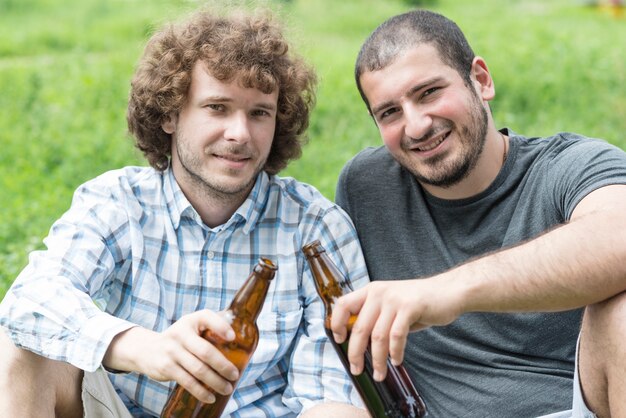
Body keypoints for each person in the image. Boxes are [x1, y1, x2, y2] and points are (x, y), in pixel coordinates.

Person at [0, 7, 371, 418]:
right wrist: (143, 347)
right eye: (217, 107)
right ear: (171, 114)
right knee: (24, 349)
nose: (240, 134)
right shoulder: (119, 201)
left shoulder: (316, 227)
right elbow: (29, 302)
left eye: (259, 113)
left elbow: (332, 392)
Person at [331, 9, 626, 418]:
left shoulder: (570, 166)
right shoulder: (366, 187)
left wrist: (447, 292)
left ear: (481, 80)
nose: (415, 126)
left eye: (429, 92)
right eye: (389, 113)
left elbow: (619, 236)